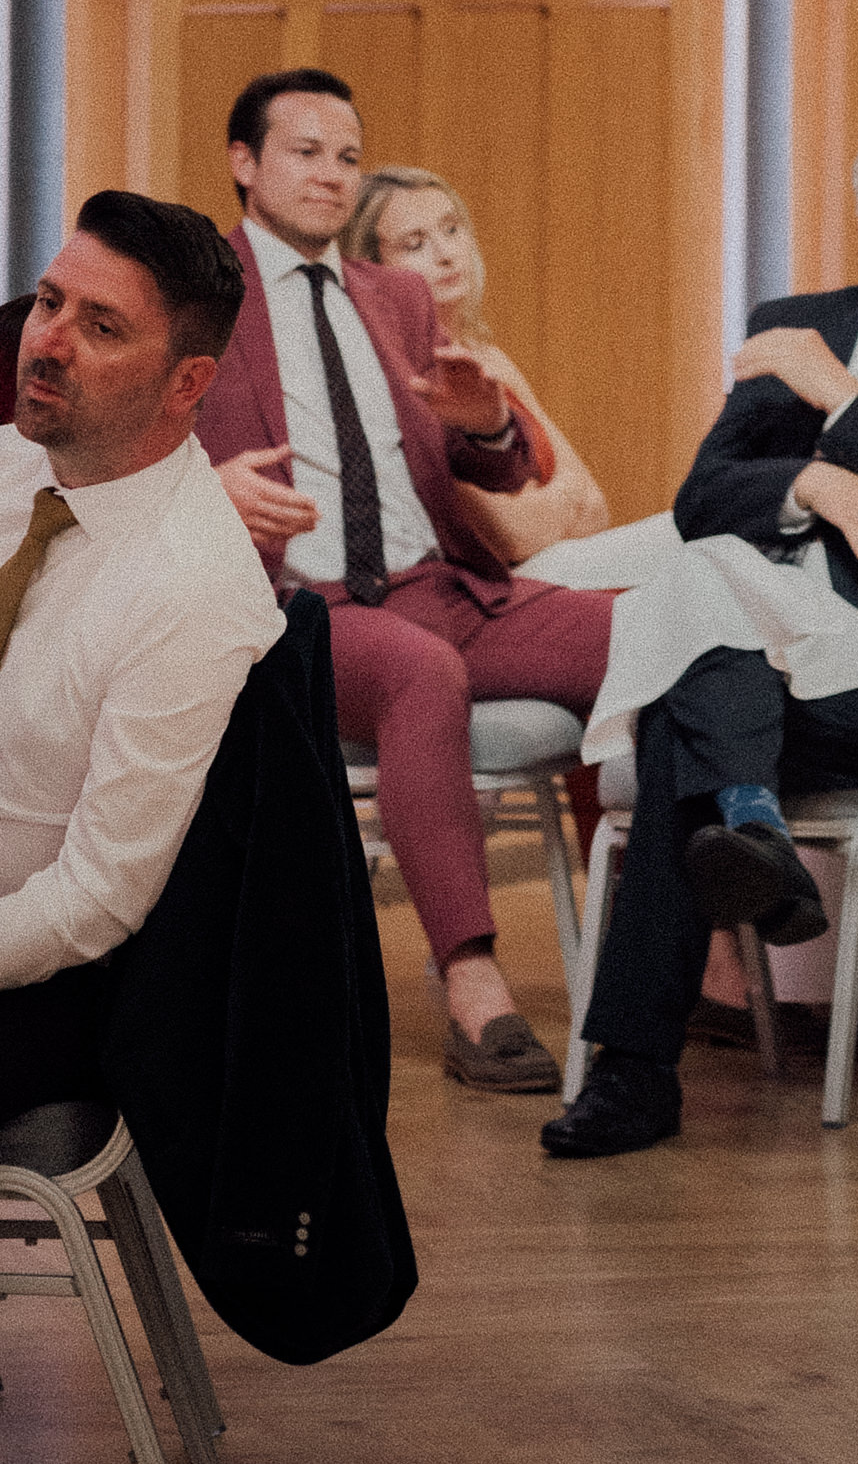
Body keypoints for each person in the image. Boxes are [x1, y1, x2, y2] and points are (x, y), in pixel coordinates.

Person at [540, 109, 858, 1160]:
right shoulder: (792, 321)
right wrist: (811, 483)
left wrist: (842, 397)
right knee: (698, 616)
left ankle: (636, 1068)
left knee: (683, 710)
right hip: (774, 675)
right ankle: (753, 830)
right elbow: (703, 498)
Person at [199, 69, 613, 1096]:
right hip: (304, 611)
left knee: (654, 635)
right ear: (244, 163)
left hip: (443, 585)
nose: (331, 175)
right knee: (421, 673)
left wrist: (489, 424)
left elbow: (494, 471)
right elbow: (113, 452)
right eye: (305, 152)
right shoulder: (198, 297)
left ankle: (692, 949)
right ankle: (474, 987)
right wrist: (204, 491)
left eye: (347, 156)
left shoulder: (398, 297)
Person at [0, 198, 278, 1112]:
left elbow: (95, 901)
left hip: (41, 989)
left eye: (102, 327)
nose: (47, 342)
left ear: (186, 382)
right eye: (50, 302)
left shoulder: (191, 589)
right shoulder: (15, 464)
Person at [344, 168, 610, 562]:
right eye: (415, 244)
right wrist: (566, 503)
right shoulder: (409, 382)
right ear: (371, 270)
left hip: (564, 562)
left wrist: (549, 511)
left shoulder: (487, 355)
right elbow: (511, 536)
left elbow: (597, 507)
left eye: (452, 229)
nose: (446, 254)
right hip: (493, 583)